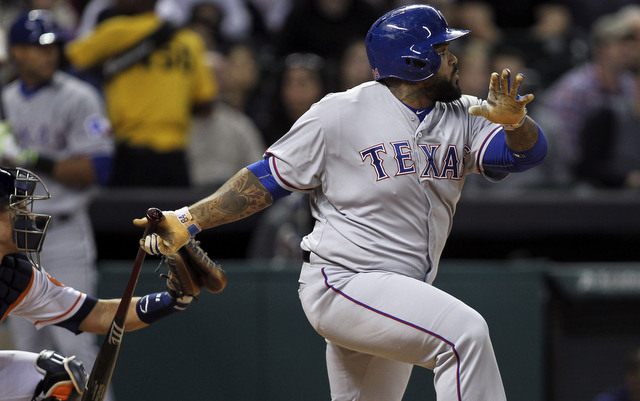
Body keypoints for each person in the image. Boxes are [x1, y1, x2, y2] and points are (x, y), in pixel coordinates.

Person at [135, 4, 547, 400]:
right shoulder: (340, 113)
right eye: (442, 51)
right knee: (464, 337)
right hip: (344, 280)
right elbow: (265, 180)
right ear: (415, 62)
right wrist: (188, 219)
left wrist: (515, 122)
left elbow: (525, 154)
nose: (453, 59)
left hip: (402, 291)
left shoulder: (466, 113)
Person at [0, 166, 206, 401]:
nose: (31, 217)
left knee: (56, 376)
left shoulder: (16, 276)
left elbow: (98, 314)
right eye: (18, 208)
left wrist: (172, 300)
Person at [0, 10, 115, 401]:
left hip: (62, 230)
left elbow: (97, 168)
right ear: (17, 51)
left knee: (77, 348)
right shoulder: (5, 100)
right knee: (25, 355)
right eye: (38, 47)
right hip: (12, 238)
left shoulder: (78, 95)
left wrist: (30, 156)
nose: (48, 54)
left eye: (53, 46)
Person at [65, 0, 217, 187]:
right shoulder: (189, 41)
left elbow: (66, 59)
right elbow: (205, 103)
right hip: (175, 155)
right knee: (175, 215)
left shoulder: (115, 32)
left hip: (128, 154)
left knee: (124, 216)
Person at [536, 9, 638, 187]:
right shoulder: (574, 89)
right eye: (617, 44)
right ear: (599, 49)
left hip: (617, 176)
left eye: (628, 44)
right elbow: (565, 151)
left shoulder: (629, 85)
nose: (625, 50)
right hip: (575, 180)